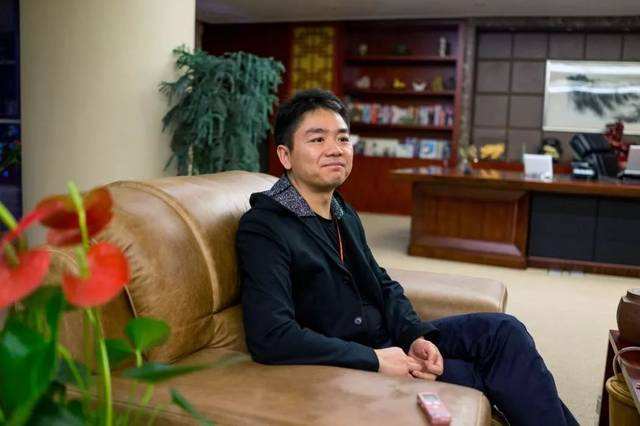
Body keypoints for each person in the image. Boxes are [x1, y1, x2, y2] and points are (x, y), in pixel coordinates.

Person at [236, 89, 577, 425]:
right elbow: (272, 336)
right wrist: (375, 360)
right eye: (317, 139)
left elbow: (382, 283)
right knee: (500, 374)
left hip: (390, 342)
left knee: (503, 331)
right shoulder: (265, 227)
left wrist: (415, 336)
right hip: (350, 361)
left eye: (342, 138)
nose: (335, 149)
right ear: (285, 156)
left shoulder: (341, 210)